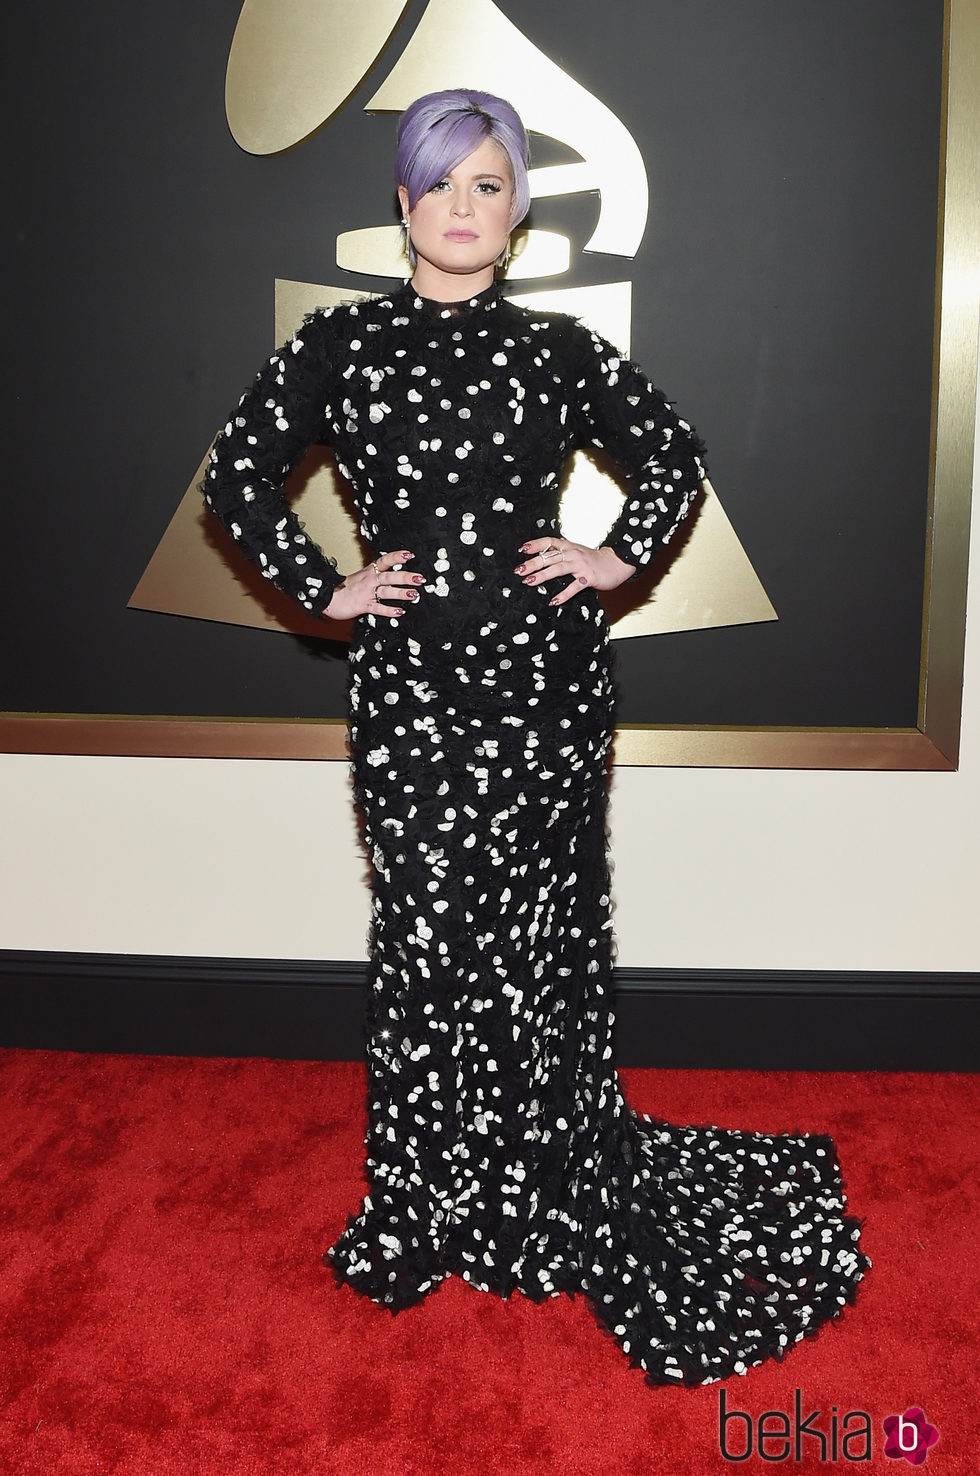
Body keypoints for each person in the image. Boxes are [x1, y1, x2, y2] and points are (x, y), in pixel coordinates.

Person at [203, 89, 867, 1387]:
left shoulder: (555, 354)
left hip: (545, 689)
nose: (463, 205)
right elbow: (237, 477)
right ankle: (423, 1202)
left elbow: (672, 453)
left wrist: (613, 556)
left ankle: (532, 1189)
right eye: (442, 182)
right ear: (403, 201)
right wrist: (323, 582)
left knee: (535, 937)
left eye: (490, 185)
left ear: (515, 217)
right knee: (426, 939)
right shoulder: (338, 346)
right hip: (410, 691)